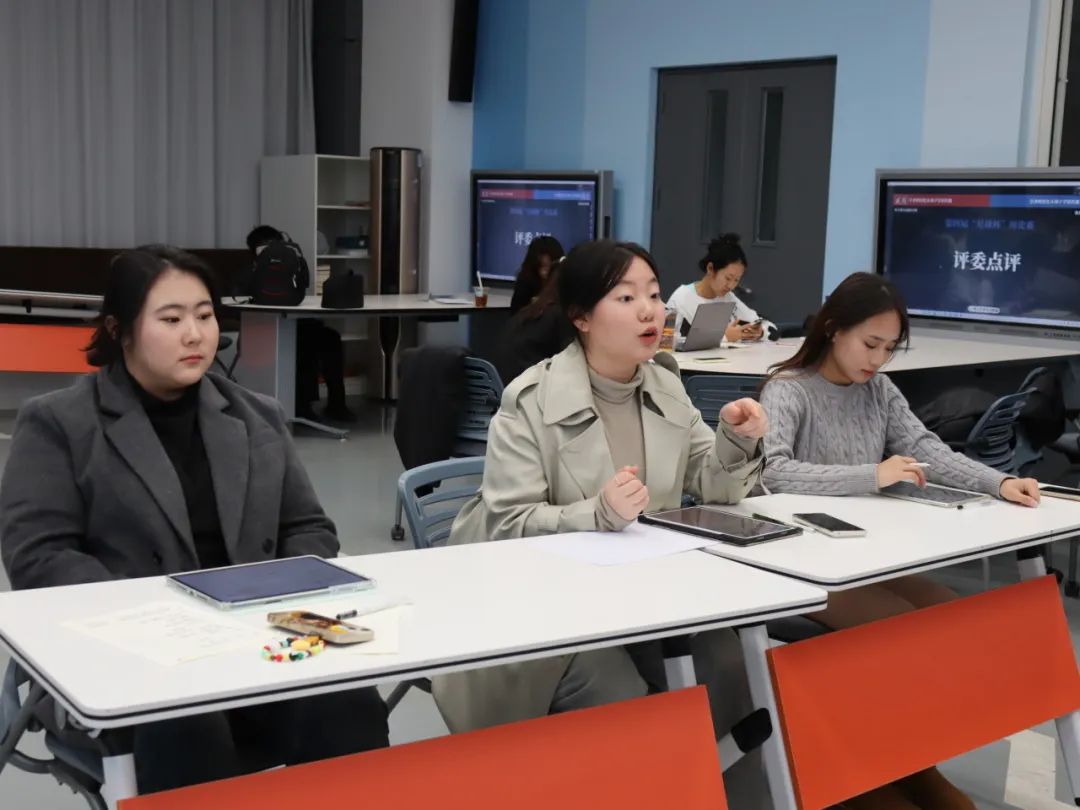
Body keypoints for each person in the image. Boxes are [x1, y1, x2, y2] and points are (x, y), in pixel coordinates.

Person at [0, 245, 388, 793]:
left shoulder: (257, 416)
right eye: (171, 319)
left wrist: (269, 599)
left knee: (349, 704)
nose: (195, 335)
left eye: (205, 316)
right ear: (119, 329)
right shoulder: (58, 424)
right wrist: (155, 620)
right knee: (186, 721)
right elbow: (39, 557)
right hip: (129, 664)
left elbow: (309, 528)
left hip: (258, 646)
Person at [433, 239, 771, 806]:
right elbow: (508, 524)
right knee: (618, 693)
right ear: (582, 317)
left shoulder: (665, 383)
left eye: (655, 295)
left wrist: (737, 438)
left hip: (644, 600)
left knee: (726, 663)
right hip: (542, 615)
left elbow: (713, 483)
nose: (649, 311)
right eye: (626, 297)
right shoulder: (530, 400)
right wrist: (597, 514)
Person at [758, 271, 1040, 810]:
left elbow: (926, 448)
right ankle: (873, 775)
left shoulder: (879, 390)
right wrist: (873, 474)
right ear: (834, 329)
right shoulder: (788, 389)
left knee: (949, 614)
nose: (878, 359)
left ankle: (911, 765)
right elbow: (773, 472)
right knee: (897, 628)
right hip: (802, 564)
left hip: (866, 556)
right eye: (870, 344)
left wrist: (998, 482)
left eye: (889, 348)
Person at [245, 226, 356, 423]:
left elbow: (303, 287)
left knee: (329, 338)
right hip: (262, 328)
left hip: (295, 323)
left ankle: (336, 404)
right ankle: (302, 406)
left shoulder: (291, 262)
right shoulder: (253, 269)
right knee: (304, 342)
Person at [666, 233, 776, 344]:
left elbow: (768, 327)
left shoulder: (728, 298)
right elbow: (666, 341)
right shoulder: (681, 299)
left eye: (736, 280)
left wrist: (760, 332)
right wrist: (724, 337)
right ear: (710, 268)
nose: (731, 286)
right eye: (728, 278)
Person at [494, 258, 576, 384]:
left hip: (506, 385)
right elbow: (572, 363)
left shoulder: (529, 311)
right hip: (528, 388)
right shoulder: (560, 315)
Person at [509, 235, 565, 315]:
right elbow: (516, 315)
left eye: (549, 267)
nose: (544, 273)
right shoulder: (524, 284)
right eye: (541, 266)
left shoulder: (564, 284)